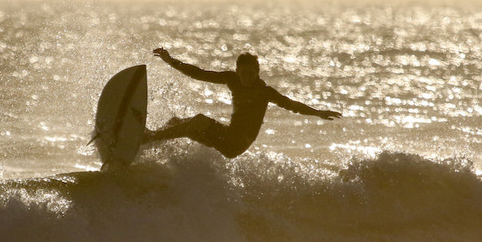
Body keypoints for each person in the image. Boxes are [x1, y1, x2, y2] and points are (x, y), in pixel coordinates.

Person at [144, 48, 341, 158]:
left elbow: (292, 105)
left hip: (237, 143)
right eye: (243, 73)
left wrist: (317, 112)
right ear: (237, 71)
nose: (247, 78)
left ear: (257, 72)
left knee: (198, 121)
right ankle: (147, 149)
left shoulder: (264, 92)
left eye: (251, 74)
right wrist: (171, 61)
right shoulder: (232, 79)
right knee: (177, 123)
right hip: (226, 136)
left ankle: (149, 137)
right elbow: (199, 74)